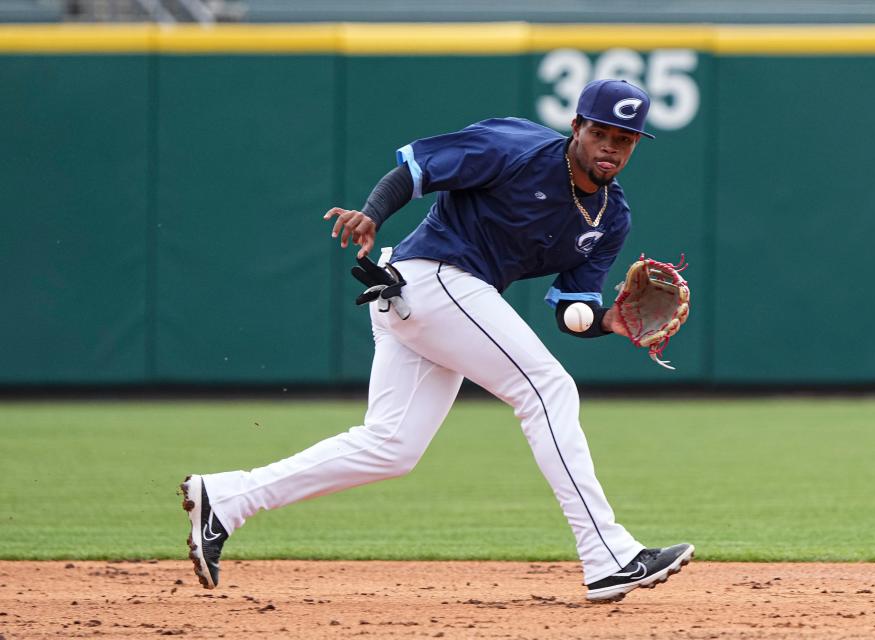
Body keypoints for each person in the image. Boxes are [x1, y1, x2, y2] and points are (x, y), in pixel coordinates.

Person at [180, 78, 693, 603]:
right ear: (576, 127)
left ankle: (226, 499)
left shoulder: (612, 218)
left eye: (625, 138)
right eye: (600, 131)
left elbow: (572, 309)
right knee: (548, 389)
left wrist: (609, 320)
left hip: (434, 301)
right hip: (433, 276)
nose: (611, 145)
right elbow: (417, 170)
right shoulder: (516, 146)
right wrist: (373, 213)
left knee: (391, 447)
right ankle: (607, 555)